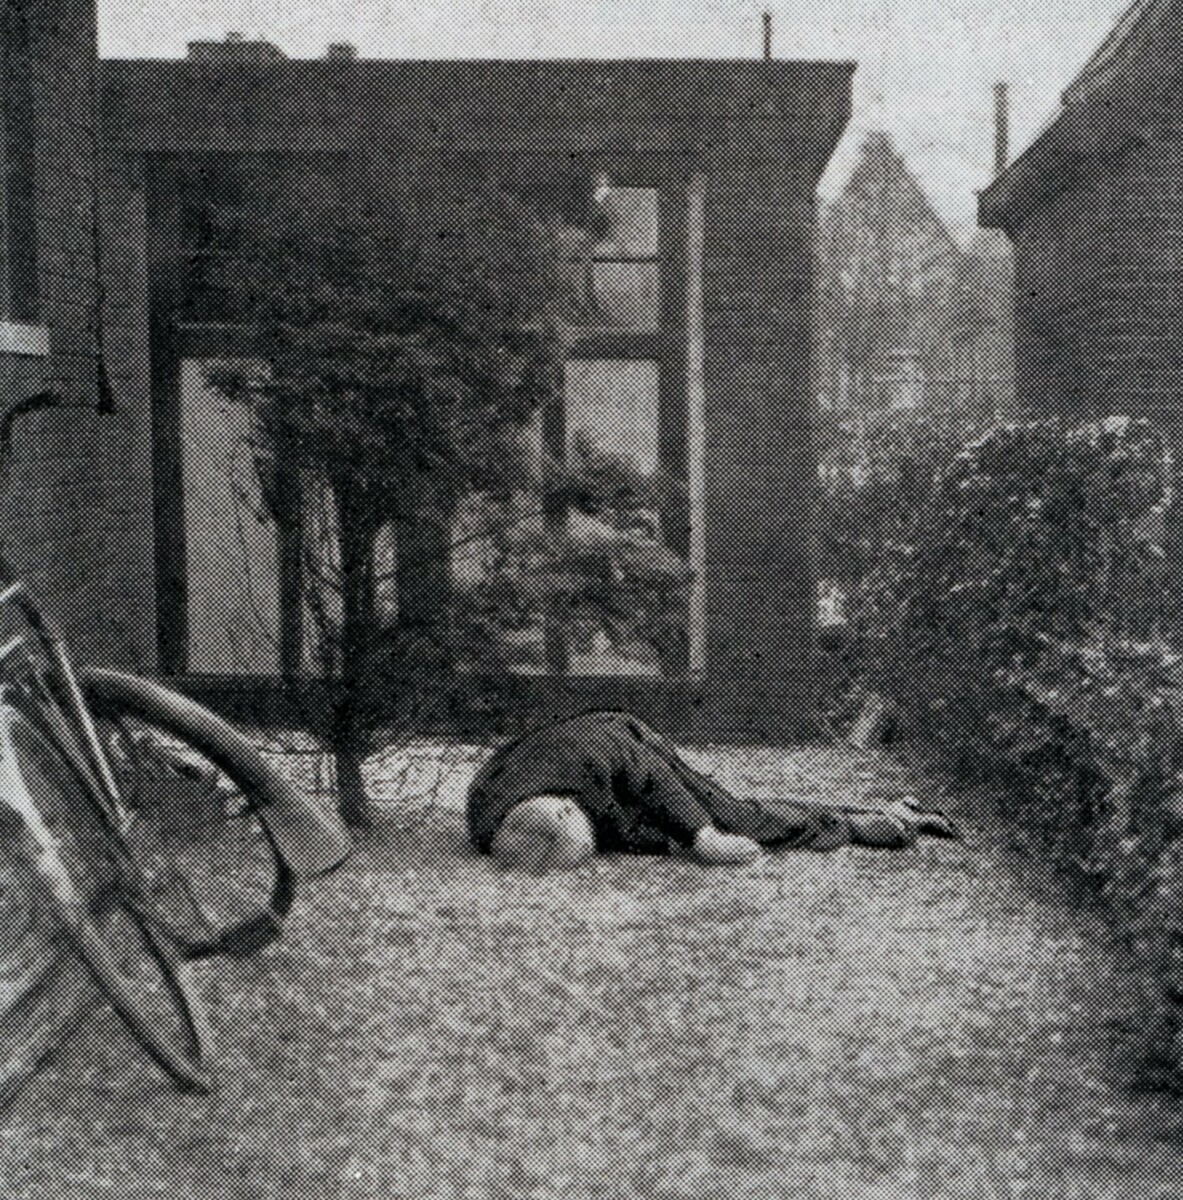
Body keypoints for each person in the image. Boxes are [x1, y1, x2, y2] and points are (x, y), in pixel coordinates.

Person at [466, 710, 960, 872]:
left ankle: (865, 822)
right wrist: (658, 842)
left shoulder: (594, 758)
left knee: (732, 818)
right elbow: (611, 830)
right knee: (656, 835)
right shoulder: (487, 820)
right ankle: (881, 812)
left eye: (591, 834)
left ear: (568, 807)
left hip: (625, 738)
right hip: (570, 770)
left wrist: (702, 837)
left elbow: (653, 781)